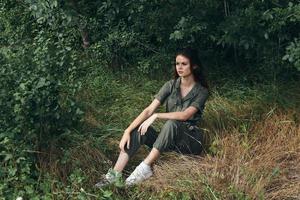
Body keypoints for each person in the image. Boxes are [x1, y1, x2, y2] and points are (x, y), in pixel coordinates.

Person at [96, 47, 209, 187]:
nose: (179, 67)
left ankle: (144, 168)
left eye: (184, 64)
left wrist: (157, 115)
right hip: (169, 140)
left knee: (171, 123)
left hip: (189, 141)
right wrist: (127, 130)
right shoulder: (171, 85)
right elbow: (148, 110)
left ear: (194, 66)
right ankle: (113, 176)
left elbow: (185, 115)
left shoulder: (201, 91)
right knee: (139, 130)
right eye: (177, 63)